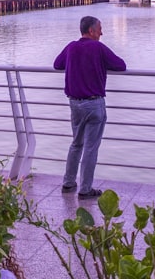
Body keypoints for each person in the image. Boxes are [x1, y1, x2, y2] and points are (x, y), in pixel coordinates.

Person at [53, 15, 127, 200]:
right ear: (92, 31)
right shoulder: (98, 47)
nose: (102, 32)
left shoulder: (71, 47)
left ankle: (68, 182)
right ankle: (85, 189)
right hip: (94, 104)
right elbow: (121, 65)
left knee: (76, 143)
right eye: (100, 29)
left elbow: (57, 64)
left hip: (74, 104)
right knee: (91, 147)